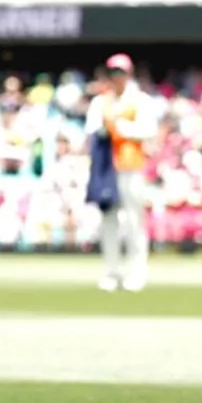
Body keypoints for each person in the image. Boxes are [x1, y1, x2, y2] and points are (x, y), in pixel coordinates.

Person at [85, 53, 156, 292]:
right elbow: (92, 130)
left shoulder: (140, 100)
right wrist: (107, 129)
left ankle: (137, 272)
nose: (116, 77)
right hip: (106, 169)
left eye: (121, 73)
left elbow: (148, 129)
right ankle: (111, 271)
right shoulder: (100, 102)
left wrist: (121, 128)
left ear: (129, 74)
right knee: (109, 221)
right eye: (113, 73)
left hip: (131, 166)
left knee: (135, 220)